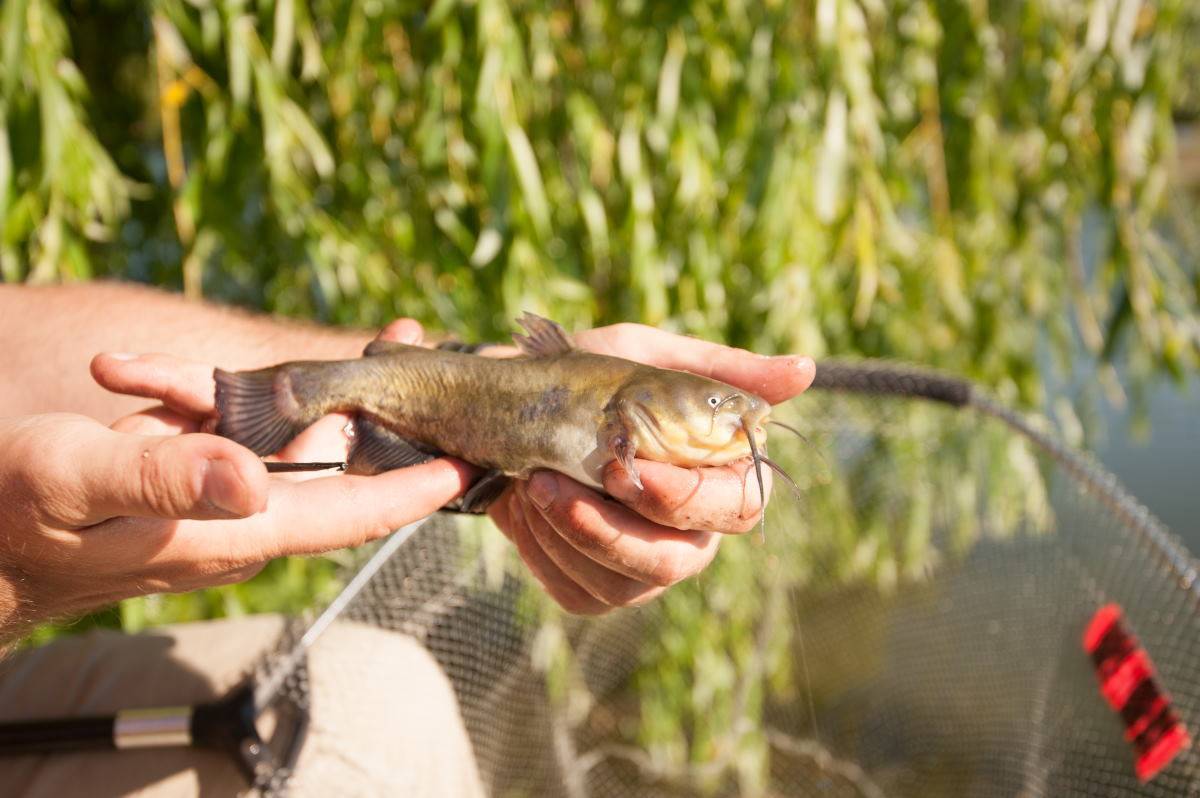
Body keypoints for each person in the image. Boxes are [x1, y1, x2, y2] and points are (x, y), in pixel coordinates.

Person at [0, 281, 815, 795]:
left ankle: (285, 396)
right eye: (714, 409)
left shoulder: (622, 408)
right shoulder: (614, 412)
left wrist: (450, 368)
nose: (738, 421)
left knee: (386, 698)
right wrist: (18, 567)